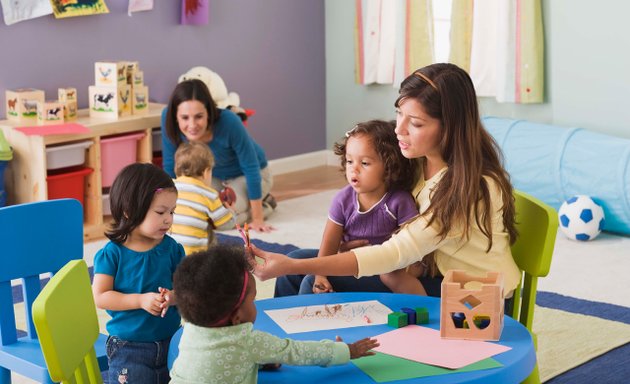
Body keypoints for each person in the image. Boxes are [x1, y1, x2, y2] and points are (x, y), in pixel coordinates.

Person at [252, 63, 521, 305]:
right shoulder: (416, 162)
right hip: (426, 271)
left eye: (414, 123)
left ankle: (311, 354)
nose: (399, 129)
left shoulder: (469, 189)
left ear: (449, 128)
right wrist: (314, 259)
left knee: (311, 280)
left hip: (471, 298)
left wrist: (291, 265)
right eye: (399, 114)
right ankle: (277, 348)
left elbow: (394, 254)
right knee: (297, 266)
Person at [169, 244, 379, 384]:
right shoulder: (248, 342)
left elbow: (218, 359)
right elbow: (297, 352)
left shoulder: (191, 329)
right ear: (237, 317)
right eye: (252, 300)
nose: (256, 305)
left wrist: (260, 361)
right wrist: (346, 351)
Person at [274, 119, 427, 297]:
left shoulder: (399, 201)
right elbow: (329, 243)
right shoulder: (343, 199)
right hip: (349, 259)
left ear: (389, 167)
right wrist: (321, 273)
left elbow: (415, 245)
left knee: (310, 282)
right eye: (349, 161)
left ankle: (302, 323)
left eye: (365, 163)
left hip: (382, 269)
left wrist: (412, 269)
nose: (354, 169)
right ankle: (276, 319)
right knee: (293, 260)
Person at [92, 163, 185, 384]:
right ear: (130, 211)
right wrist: (140, 300)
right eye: (161, 212)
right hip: (129, 347)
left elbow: (188, 288)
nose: (169, 219)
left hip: (174, 341)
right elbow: (101, 296)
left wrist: (173, 297)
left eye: (172, 212)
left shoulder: (172, 249)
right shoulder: (112, 254)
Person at [162, 78, 276, 233]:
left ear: (209, 112)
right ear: (176, 116)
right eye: (185, 118)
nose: (192, 125)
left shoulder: (229, 121)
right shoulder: (167, 119)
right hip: (211, 177)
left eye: (199, 116)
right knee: (197, 214)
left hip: (250, 175)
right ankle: (250, 204)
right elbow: (170, 167)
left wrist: (257, 219)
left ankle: (265, 206)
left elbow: (251, 167)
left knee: (221, 221)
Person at [170, 141, 236, 255]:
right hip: (195, 258)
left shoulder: (169, 187)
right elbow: (226, 225)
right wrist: (231, 211)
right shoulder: (209, 194)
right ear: (206, 172)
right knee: (211, 235)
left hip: (169, 254)